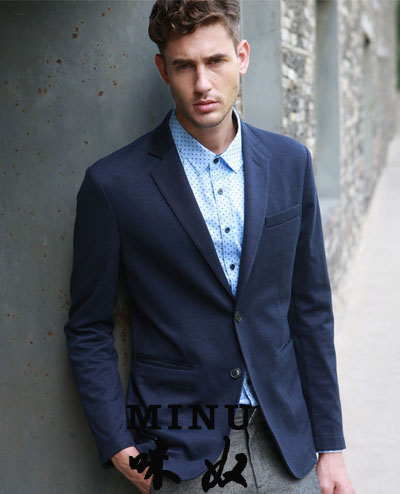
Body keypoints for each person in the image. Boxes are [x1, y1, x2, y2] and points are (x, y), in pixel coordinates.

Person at [64, 1, 355, 493]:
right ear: (163, 70)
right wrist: (121, 449)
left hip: (289, 445)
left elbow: (310, 310)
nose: (202, 83)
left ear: (242, 56)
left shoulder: (290, 163)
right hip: (182, 456)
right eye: (185, 66)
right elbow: (88, 327)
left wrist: (330, 446)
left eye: (215, 61)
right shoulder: (113, 185)